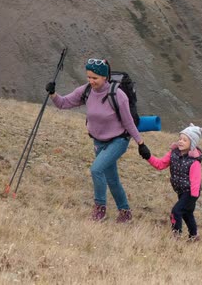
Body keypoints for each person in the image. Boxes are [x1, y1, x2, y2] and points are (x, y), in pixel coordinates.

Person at [45, 58, 146, 223]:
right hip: (98, 141)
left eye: (95, 78)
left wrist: (141, 144)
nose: (91, 81)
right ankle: (125, 213)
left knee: (96, 170)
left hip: (118, 140)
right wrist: (53, 94)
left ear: (105, 77)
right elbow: (63, 104)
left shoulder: (118, 95)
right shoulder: (86, 91)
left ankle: (100, 209)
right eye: (89, 77)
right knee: (112, 179)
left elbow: (128, 122)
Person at [138, 123, 202, 241]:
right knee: (187, 213)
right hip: (180, 191)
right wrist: (147, 156)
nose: (181, 142)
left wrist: (192, 199)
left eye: (185, 140)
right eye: (180, 139)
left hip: (190, 193)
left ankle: (176, 235)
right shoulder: (173, 154)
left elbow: (196, 181)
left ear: (192, 144)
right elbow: (160, 164)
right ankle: (194, 236)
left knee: (176, 211)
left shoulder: (194, 162)